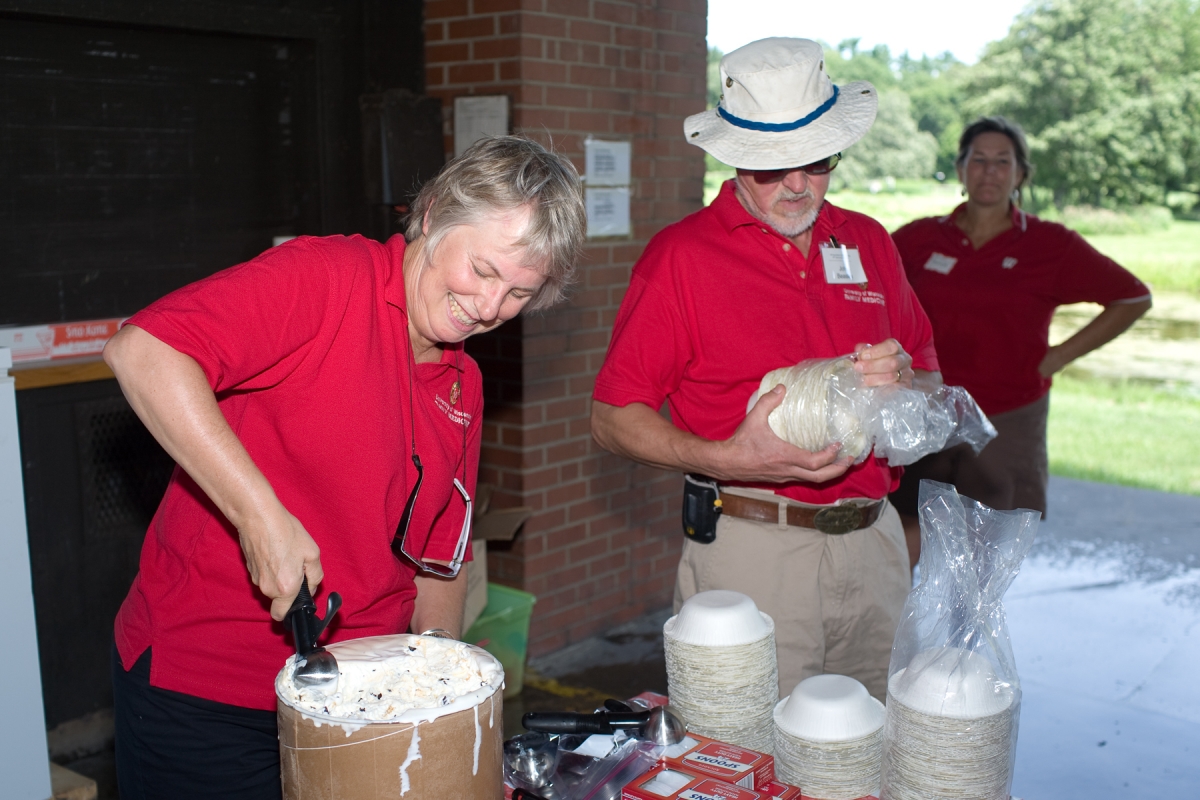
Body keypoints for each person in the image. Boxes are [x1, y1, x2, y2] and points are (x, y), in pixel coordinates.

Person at [103, 135, 586, 800]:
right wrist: (261, 517)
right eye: (482, 269)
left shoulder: (461, 384)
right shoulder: (325, 278)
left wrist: (440, 686)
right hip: (211, 685)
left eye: (519, 293)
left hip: (362, 696)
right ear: (436, 211)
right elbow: (145, 352)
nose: (488, 306)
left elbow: (439, 557)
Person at [590, 38, 941, 702]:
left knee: (876, 743)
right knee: (748, 752)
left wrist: (906, 383)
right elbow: (611, 418)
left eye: (816, 160)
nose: (798, 185)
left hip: (876, 543)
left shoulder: (868, 241)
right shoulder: (680, 258)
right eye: (770, 167)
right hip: (754, 545)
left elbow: (927, 376)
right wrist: (726, 455)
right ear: (733, 157)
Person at [889, 116, 1151, 548]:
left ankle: (966, 620)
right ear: (960, 169)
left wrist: (1060, 355)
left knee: (987, 549)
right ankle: (897, 616)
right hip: (927, 412)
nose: (989, 171)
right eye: (979, 160)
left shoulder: (1051, 245)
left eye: (1002, 161)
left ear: (1021, 174)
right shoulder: (920, 239)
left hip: (1008, 414)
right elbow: (871, 294)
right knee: (904, 538)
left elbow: (1133, 298)